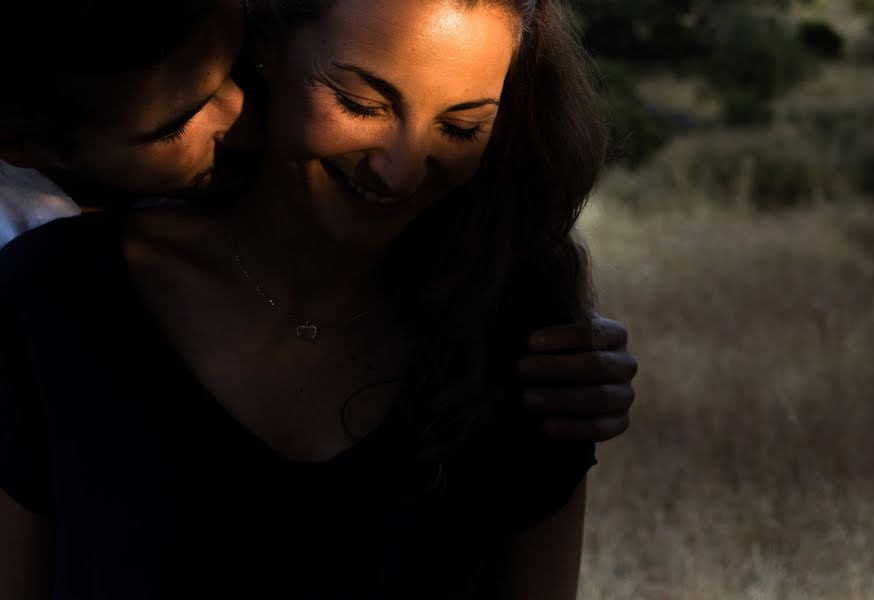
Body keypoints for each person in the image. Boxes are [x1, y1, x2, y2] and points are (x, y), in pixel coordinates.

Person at [0, 0, 635, 598]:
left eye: (463, 127)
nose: (403, 170)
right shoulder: (52, 298)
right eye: (361, 103)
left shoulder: (525, 343)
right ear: (268, 43)